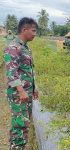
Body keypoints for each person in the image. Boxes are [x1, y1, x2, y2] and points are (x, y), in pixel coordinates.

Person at [4, 17, 39, 150]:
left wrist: (35, 88)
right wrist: (21, 90)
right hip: (19, 95)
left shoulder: (25, 48)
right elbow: (11, 72)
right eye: (33, 30)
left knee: (23, 124)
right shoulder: (13, 47)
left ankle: (16, 146)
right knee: (20, 125)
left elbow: (28, 70)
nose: (35, 34)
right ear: (24, 30)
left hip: (26, 93)